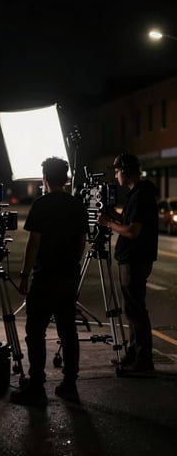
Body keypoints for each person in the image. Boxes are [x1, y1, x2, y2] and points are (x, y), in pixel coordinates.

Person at [10, 157, 89, 407]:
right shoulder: (77, 206)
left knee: (35, 332)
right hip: (68, 276)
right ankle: (69, 384)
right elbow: (81, 244)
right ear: (65, 179)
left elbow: (34, 243)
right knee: (68, 331)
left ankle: (36, 385)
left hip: (45, 277)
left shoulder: (41, 205)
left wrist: (24, 275)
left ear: (45, 178)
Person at [98, 153, 158, 373]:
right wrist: (112, 214)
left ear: (125, 171)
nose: (115, 175)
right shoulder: (137, 194)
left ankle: (143, 362)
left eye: (117, 171)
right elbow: (129, 221)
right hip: (133, 258)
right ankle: (134, 354)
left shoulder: (141, 195)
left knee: (136, 311)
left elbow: (132, 231)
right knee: (132, 309)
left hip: (135, 259)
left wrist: (107, 223)